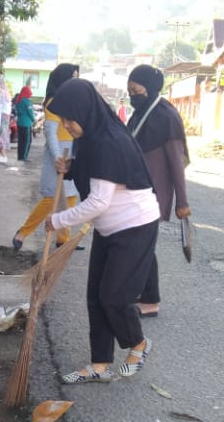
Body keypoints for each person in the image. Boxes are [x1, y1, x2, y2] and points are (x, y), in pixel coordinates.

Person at [44, 79, 160, 381]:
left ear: (86, 110)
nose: (67, 125)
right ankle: (99, 365)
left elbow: (98, 201)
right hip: (109, 227)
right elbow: (92, 173)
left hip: (135, 225)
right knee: (95, 296)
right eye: (63, 119)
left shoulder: (109, 141)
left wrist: (57, 220)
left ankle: (139, 344)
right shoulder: (91, 135)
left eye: (70, 118)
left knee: (114, 297)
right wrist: (69, 167)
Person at [127, 64, 191, 317]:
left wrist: (182, 202)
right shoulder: (141, 113)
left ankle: (150, 300)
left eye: (135, 89)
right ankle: (141, 293)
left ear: (149, 87)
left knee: (142, 246)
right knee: (137, 245)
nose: (132, 95)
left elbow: (177, 163)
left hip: (155, 195)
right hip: (137, 190)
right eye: (129, 91)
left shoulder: (165, 115)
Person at [12, 63, 80, 249]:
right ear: (62, 79)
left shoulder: (74, 101)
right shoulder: (54, 102)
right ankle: (23, 232)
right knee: (52, 198)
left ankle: (63, 239)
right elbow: (50, 133)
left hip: (73, 153)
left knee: (71, 198)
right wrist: (58, 157)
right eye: (72, 76)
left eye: (77, 76)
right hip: (57, 154)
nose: (75, 80)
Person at [15, 85, 35, 161]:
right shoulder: (27, 101)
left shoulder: (18, 100)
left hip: (19, 123)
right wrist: (34, 120)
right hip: (27, 124)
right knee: (27, 141)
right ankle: (24, 157)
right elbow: (30, 112)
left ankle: (20, 156)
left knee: (20, 141)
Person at [0, 75, 11, 164]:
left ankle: (3, 155)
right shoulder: (7, 91)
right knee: (4, 133)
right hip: (6, 114)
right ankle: (2, 155)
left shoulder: (1, 92)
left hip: (2, 114)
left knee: (1, 134)